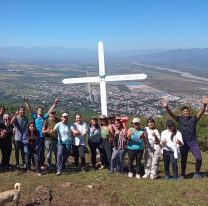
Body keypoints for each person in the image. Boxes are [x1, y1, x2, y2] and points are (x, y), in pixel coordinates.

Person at [161, 96, 207, 179]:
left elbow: (201, 112)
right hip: (183, 142)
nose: (186, 112)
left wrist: (204, 105)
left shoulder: (194, 118)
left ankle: (197, 173)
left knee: (199, 158)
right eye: (184, 111)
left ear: (189, 111)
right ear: (182, 113)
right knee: (183, 159)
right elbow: (171, 115)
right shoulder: (180, 119)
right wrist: (167, 108)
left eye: (187, 111)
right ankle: (182, 174)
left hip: (193, 141)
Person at [23, 97, 59, 169]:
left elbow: (50, 111)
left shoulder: (44, 117)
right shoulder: (35, 116)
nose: (40, 111)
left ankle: (42, 164)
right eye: (39, 110)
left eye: (41, 110)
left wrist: (55, 103)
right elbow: (29, 109)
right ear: (37, 111)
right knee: (33, 150)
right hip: (34, 136)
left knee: (42, 150)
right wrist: (25, 101)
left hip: (42, 136)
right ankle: (34, 162)